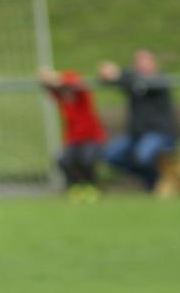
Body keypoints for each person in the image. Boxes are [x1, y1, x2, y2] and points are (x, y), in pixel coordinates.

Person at [99, 50, 178, 191]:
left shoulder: (160, 80)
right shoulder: (132, 83)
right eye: (138, 62)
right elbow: (116, 80)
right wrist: (107, 74)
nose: (142, 65)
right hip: (136, 135)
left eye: (145, 61)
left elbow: (137, 80)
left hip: (160, 133)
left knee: (143, 155)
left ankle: (154, 182)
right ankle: (151, 179)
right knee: (110, 155)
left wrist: (118, 73)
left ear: (154, 64)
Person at [38, 67, 107, 200]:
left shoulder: (76, 87)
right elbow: (47, 87)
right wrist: (45, 79)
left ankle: (92, 187)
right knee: (63, 160)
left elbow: (75, 82)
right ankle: (74, 187)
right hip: (73, 138)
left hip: (92, 137)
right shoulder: (60, 95)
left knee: (86, 160)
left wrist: (56, 78)